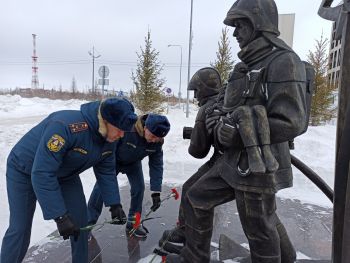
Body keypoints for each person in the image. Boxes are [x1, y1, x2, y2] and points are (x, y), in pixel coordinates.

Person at [166, 0, 307, 262]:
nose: (235, 33)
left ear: (259, 24)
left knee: (259, 227)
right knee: (198, 197)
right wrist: (220, 125)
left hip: (260, 165)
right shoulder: (245, 66)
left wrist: (239, 134)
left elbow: (293, 121)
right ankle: (194, 257)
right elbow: (232, 107)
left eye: (240, 25)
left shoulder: (284, 61)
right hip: (235, 162)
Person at [0, 97, 138, 263]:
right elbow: (42, 172)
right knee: (20, 229)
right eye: (119, 130)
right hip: (24, 170)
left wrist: (114, 203)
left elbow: (106, 169)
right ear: (106, 121)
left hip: (64, 174)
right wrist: (59, 216)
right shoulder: (66, 127)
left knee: (81, 224)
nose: (122, 135)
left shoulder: (111, 137)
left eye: (125, 131)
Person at [159, 67, 222, 246]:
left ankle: (189, 237)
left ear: (204, 89)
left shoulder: (206, 108)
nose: (195, 96)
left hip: (223, 161)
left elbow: (198, 151)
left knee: (191, 190)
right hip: (226, 158)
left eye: (196, 90)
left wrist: (196, 135)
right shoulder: (224, 102)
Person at [87, 113, 170, 238]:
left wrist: (156, 191)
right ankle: (88, 224)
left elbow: (156, 165)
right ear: (146, 127)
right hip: (112, 160)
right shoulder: (127, 129)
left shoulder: (157, 142)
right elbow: (109, 148)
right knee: (100, 189)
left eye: (157, 139)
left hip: (133, 163)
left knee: (139, 188)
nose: (154, 140)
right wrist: (114, 203)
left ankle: (133, 224)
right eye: (153, 136)